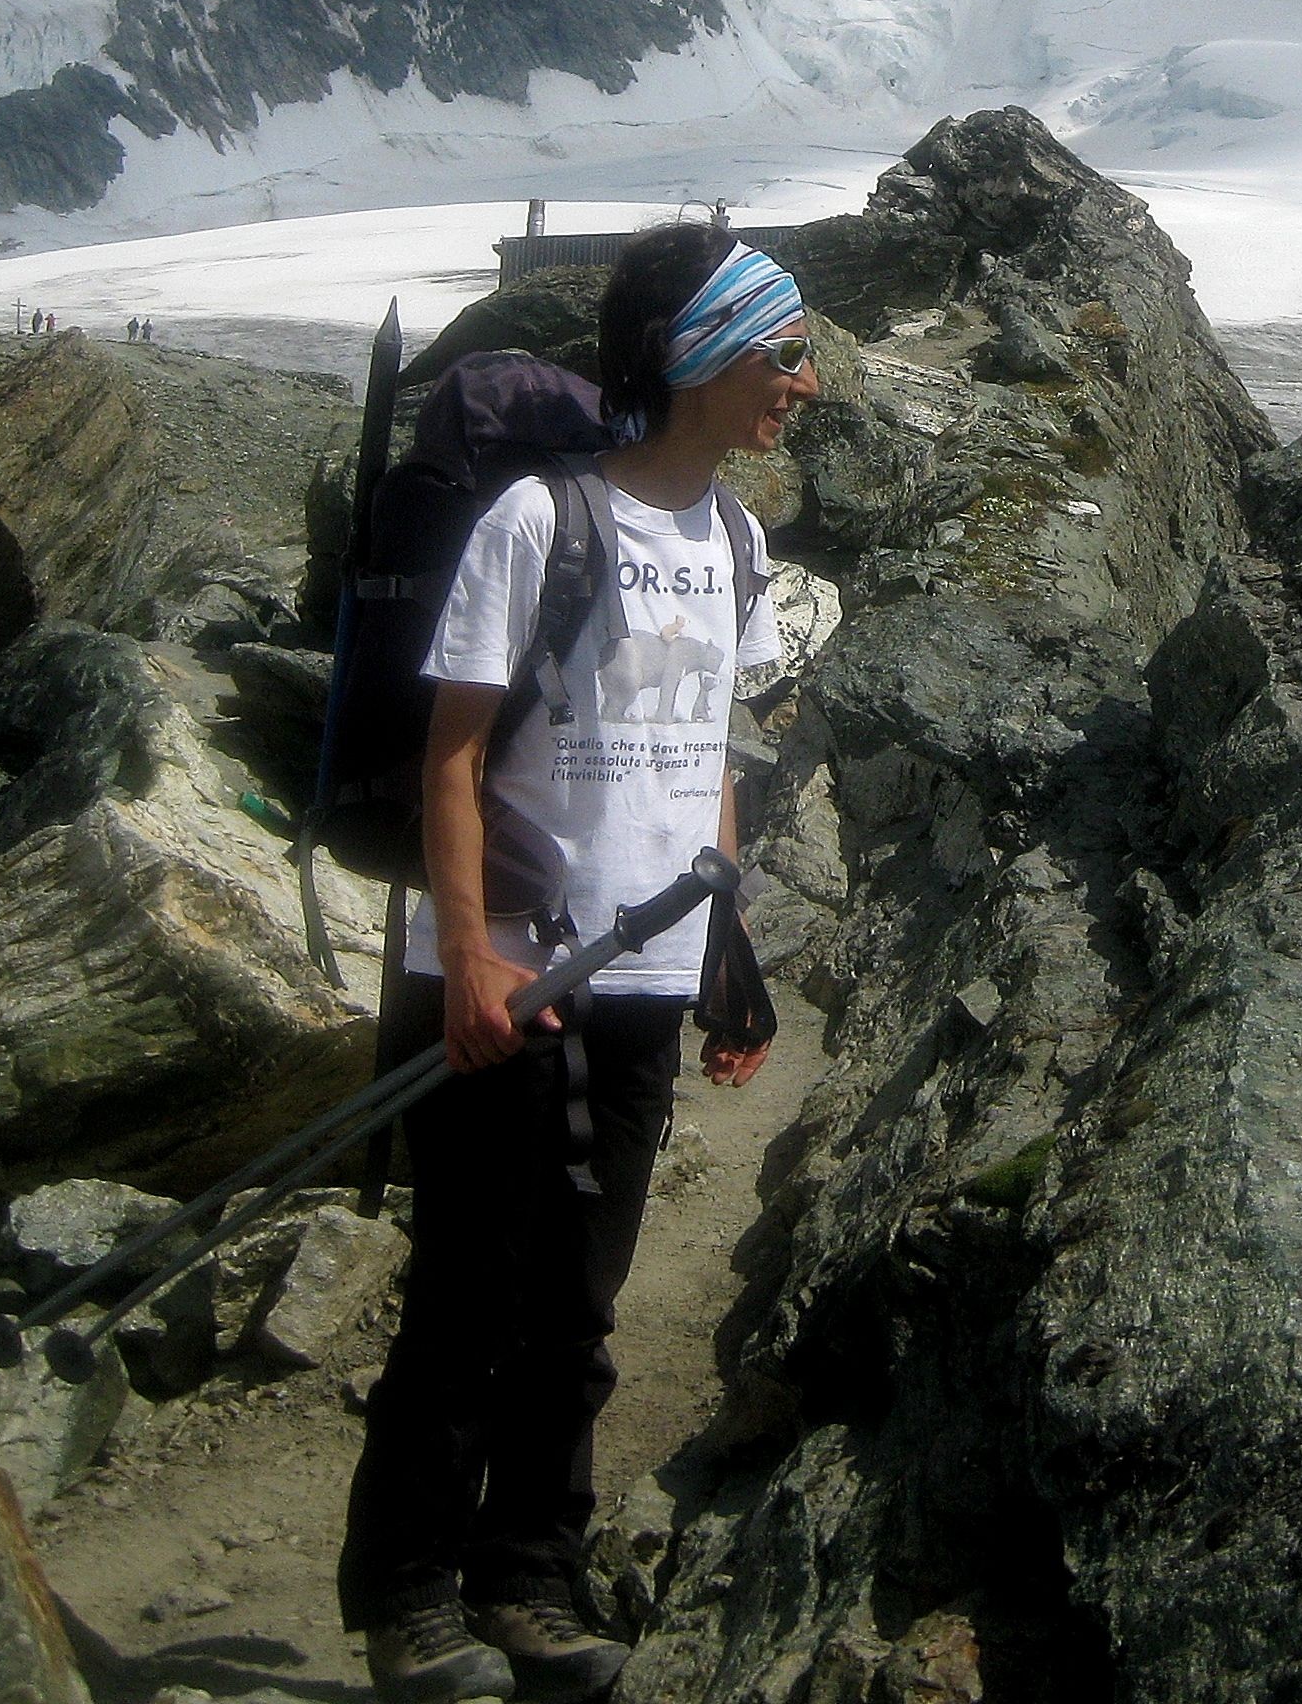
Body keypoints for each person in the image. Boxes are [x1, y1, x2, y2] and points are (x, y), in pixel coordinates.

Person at [339, 223, 815, 1704]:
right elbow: (455, 760)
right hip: (508, 967)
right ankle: (408, 1596)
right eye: (781, 352)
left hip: (642, 976)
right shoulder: (540, 524)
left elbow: (708, 769)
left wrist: (721, 941)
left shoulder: (734, 541)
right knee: (470, 1290)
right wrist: (469, 956)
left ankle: (530, 1576)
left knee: (582, 1301)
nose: (800, 383)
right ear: (701, 358)